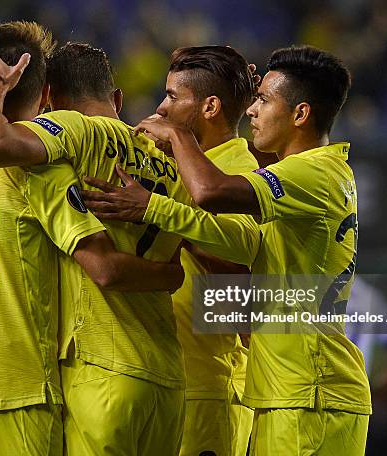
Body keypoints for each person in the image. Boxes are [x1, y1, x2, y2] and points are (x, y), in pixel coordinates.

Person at [0, 22, 183, 456]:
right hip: (15, 389)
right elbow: (104, 265)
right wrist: (170, 273)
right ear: (45, 98)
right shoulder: (41, 166)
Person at [92, 45, 373, 454]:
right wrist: (154, 208)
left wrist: (177, 138)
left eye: (264, 100)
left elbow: (210, 193)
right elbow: (239, 241)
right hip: (287, 391)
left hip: (311, 393)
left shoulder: (310, 171)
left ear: (300, 115)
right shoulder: (308, 176)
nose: (253, 111)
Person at [82, 45, 260, 456]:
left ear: (210, 107)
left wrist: (157, 211)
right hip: (159, 376)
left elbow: (242, 268)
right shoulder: (173, 161)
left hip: (207, 389)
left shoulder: (238, 172)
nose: (160, 109)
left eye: (173, 97)